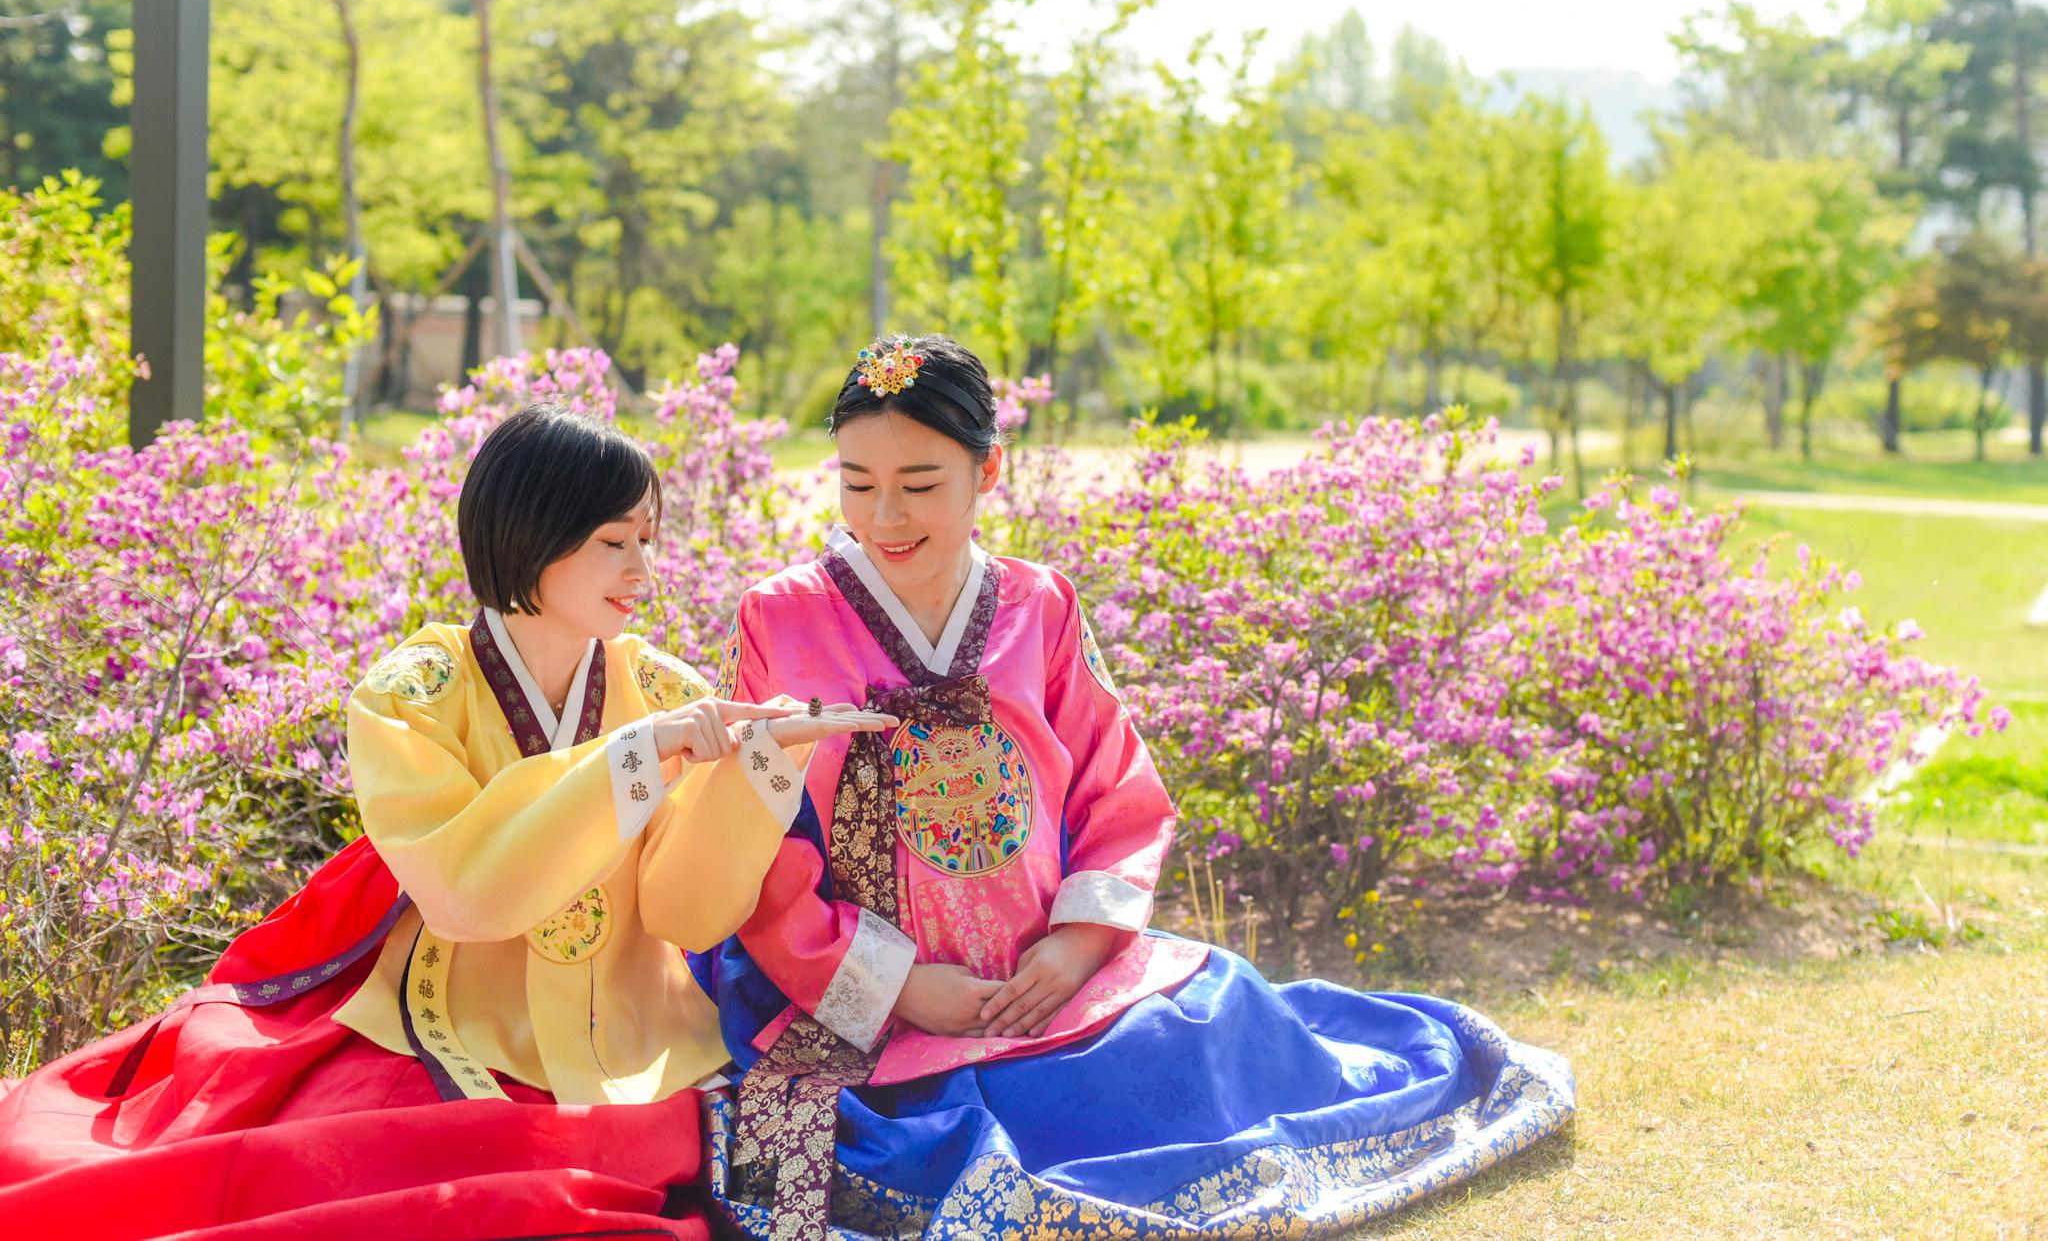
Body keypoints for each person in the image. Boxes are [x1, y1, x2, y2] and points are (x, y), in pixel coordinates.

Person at [693, 337, 1575, 1239]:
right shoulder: (780, 616)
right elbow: (761, 849)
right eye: (856, 482)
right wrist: (900, 986)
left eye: (920, 484)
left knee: (1197, 1032)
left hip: (1048, 970)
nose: (885, 515)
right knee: (919, 1127)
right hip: (871, 995)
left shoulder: (1041, 605)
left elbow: (1118, 790)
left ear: (988, 469)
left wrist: (1075, 949)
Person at [0, 403, 895, 1240]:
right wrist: (638, 752)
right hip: (453, 1018)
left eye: (647, 541)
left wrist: (762, 766)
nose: (643, 572)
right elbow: (466, 888)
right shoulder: (413, 693)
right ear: (532, 538)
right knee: (375, 1184)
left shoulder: (662, 686)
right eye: (614, 542)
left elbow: (682, 914)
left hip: (635, 1031)